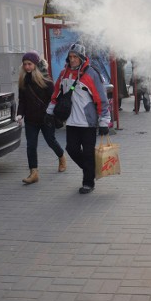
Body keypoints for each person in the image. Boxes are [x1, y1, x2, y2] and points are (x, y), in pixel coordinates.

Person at [45, 43, 110, 194]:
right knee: (71, 149)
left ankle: (88, 182)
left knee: (87, 153)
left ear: (81, 58)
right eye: (70, 56)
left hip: (88, 123)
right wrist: (49, 112)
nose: (72, 59)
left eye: (75, 57)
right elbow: (56, 94)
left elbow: (101, 99)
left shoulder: (91, 74)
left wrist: (104, 121)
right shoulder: (63, 74)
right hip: (72, 122)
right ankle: (91, 169)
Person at [16, 51, 66, 185]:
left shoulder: (46, 81)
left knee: (51, 141)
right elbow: (22, 100)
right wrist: (19, 114)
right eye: (25, 64)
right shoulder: (23, 81)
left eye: (29, 64)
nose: (27, 67)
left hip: (45, 119)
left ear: (36, 65)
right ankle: (34, 173)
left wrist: (53, 114)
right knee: (31, 146)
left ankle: (61, 157)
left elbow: (54, 99)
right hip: (31, 120)